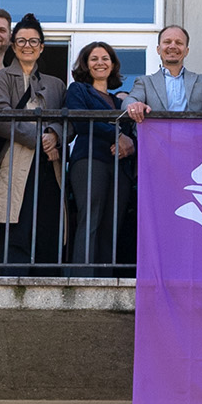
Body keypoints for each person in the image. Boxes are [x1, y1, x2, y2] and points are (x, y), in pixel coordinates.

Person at [0, 14, 69, 266]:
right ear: (13, 45)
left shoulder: (56, 84)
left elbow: (68, 120)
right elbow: (0, 118)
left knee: (48, 224)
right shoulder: (2, 78)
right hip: (15, 159)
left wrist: (54, 135)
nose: (27, 46)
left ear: (41, 47)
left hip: (49, 164)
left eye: (33, 41)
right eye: (21, 41)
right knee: (16, 224)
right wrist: (40, 139)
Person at [65, 38, 140, 274]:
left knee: (112, 225)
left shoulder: (121, 100)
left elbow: (132, 134)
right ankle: (81, 280)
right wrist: (116, 134)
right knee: (91, 219)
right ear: (86, 65)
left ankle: (105, 281)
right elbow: (80, 119)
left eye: (105, 58)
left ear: (113, 64)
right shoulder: (78, 89)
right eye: (94, 58)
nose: (100, 63)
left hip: (119, 167)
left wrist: (131, 145)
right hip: (90, 159)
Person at [126, 24, 202, 122]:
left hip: (192, 141)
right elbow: (128, 102)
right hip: (156, 141)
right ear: (158, 49)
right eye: (167, 42)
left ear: (186, 51)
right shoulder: (145, 82)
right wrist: (135, 106)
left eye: (179, 43)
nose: (173, 46)